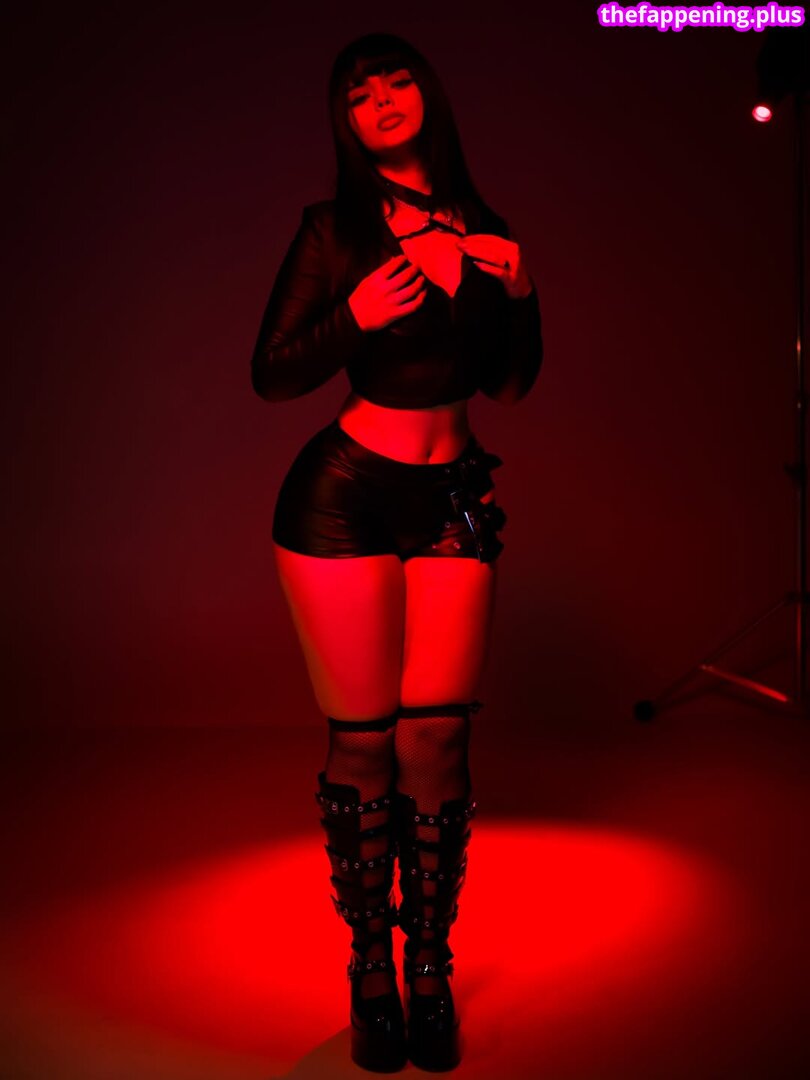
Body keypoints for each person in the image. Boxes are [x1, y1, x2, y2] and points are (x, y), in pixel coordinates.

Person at [250, 31, 544, 1072]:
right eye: (358, 93)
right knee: (366, 741)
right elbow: (271, 372)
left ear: (428, 95)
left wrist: (521, 292)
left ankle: (430, 965)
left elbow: (511, 385)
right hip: (344, 500)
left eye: (397, 81)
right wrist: (354, 313)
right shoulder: (333, 229)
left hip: (454, 495)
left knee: (439, 743)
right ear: (345, 121)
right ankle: (370, 967)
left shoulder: (486, 229)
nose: (380, 101)